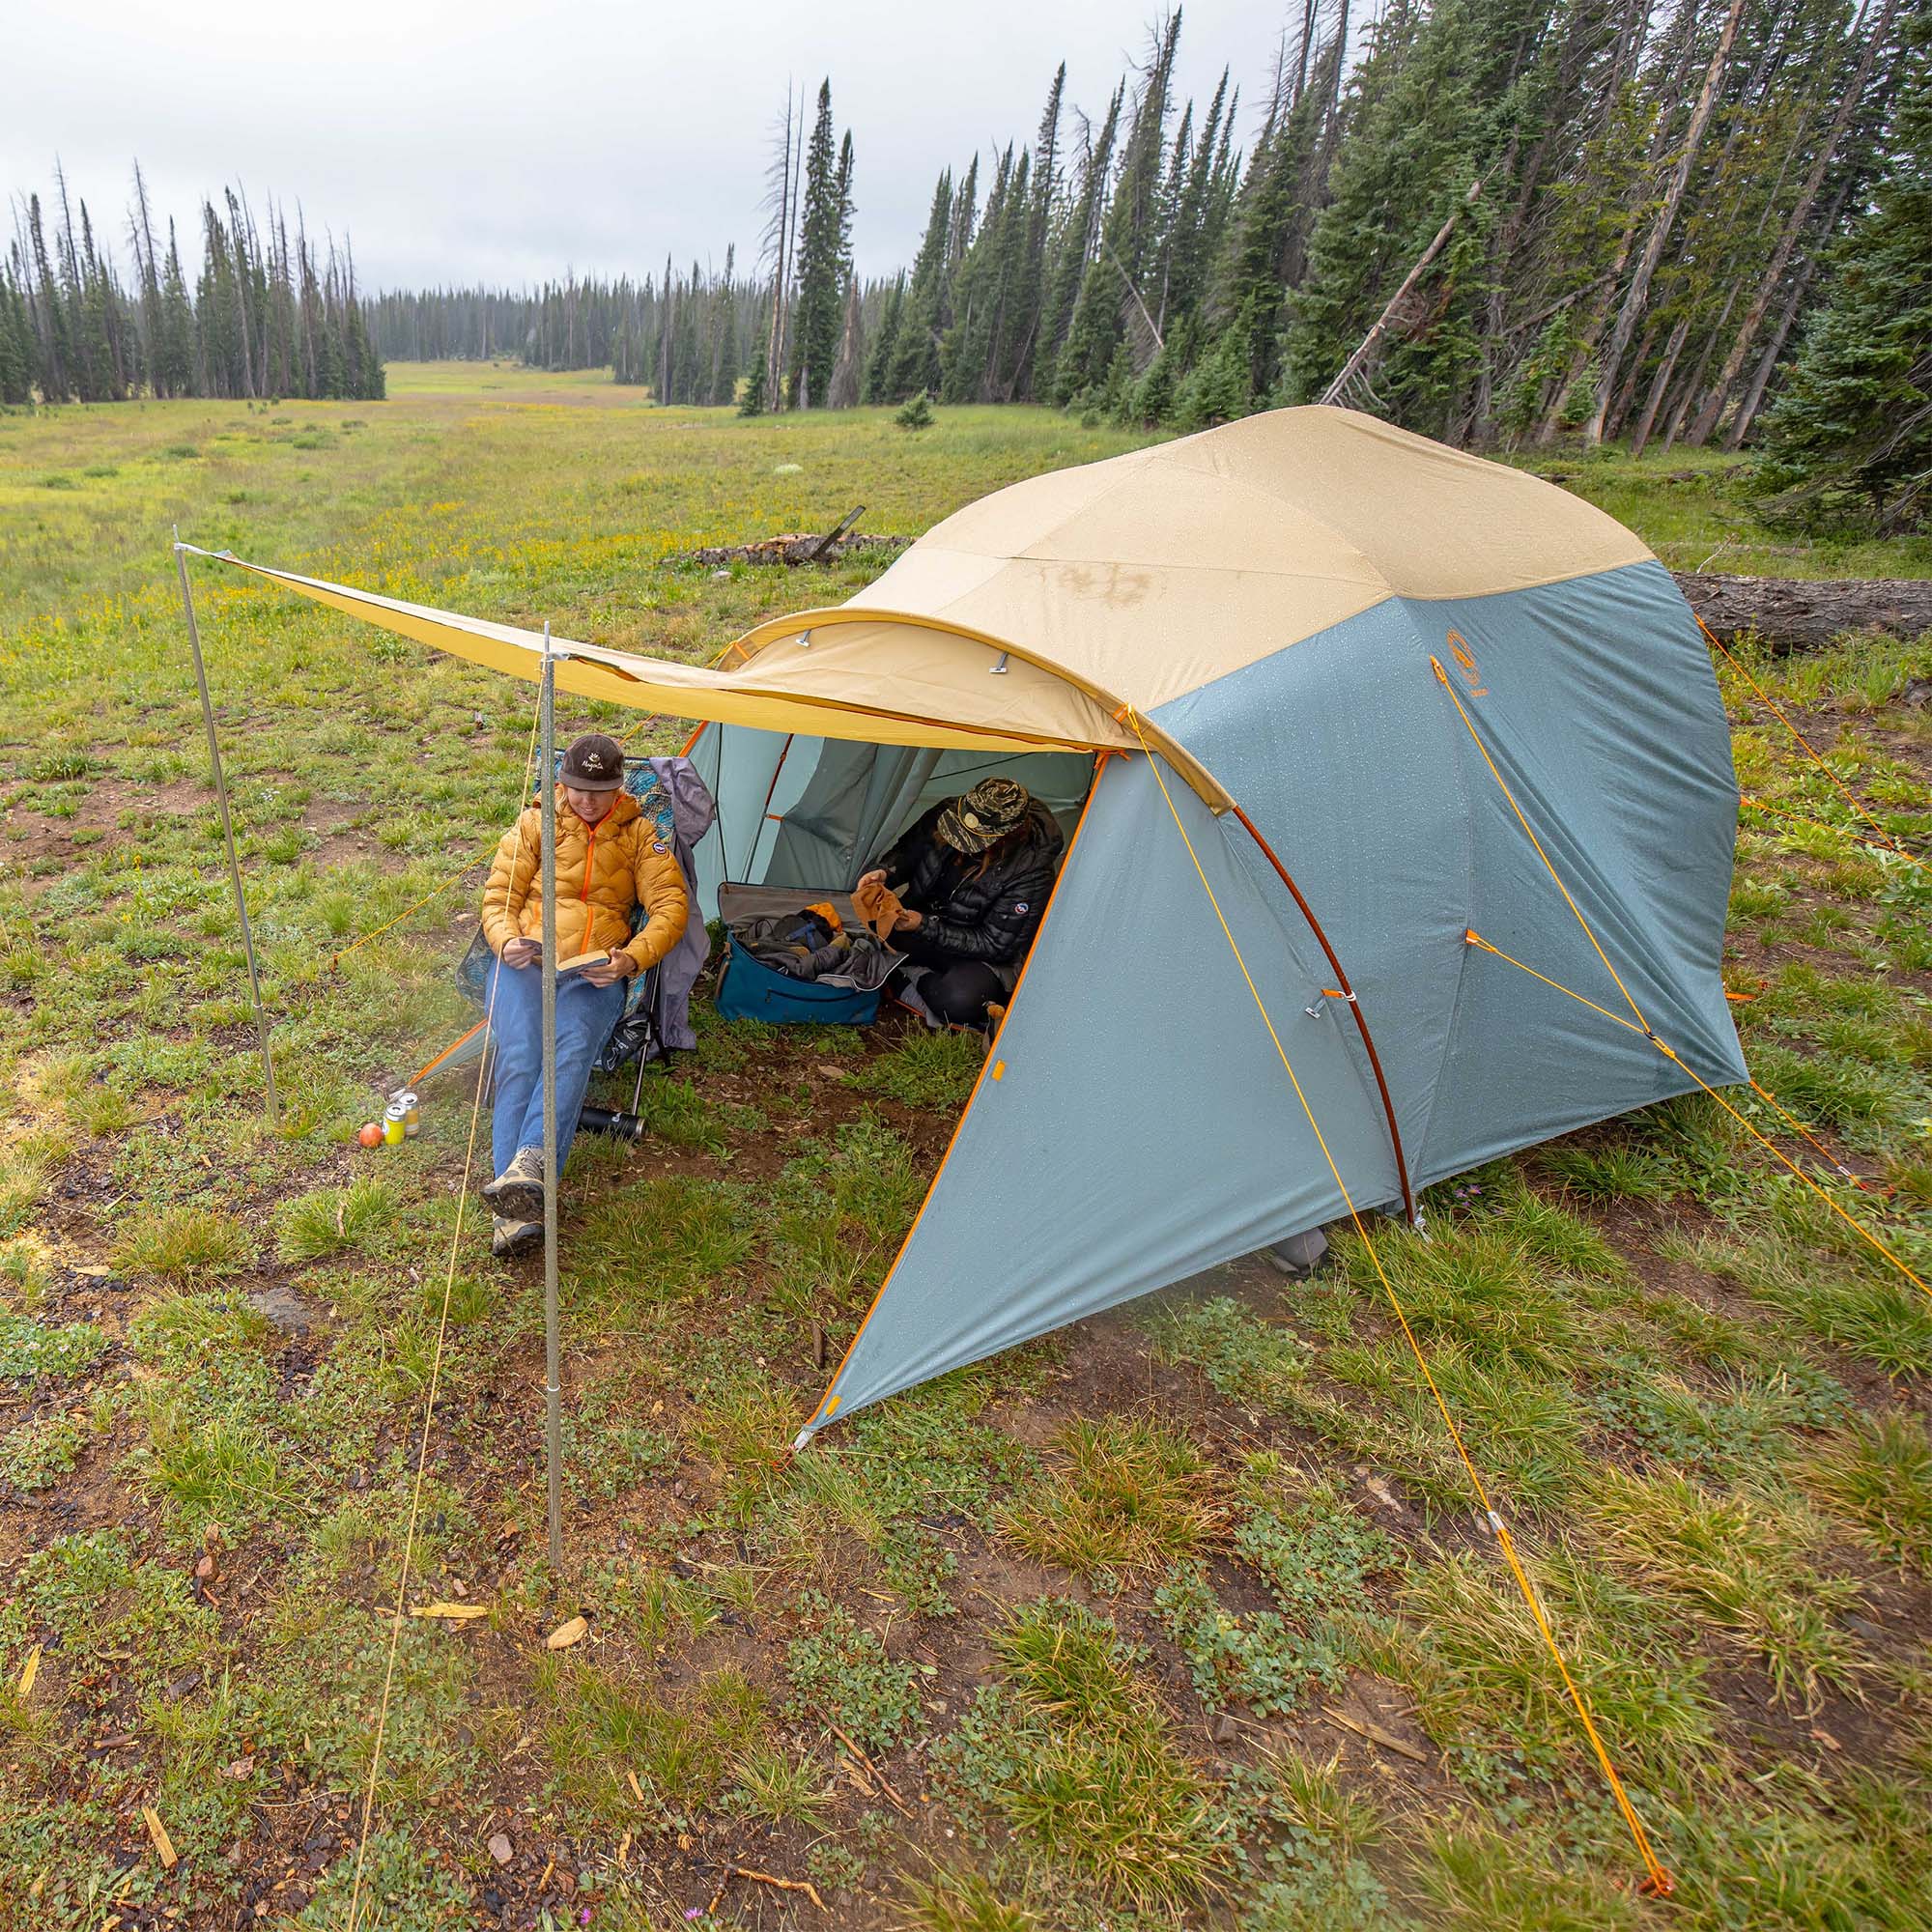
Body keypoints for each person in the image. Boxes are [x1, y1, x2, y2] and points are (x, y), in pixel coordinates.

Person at [478, 732, 688, 1256]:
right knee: (523, 1053)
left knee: (569, 1051)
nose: (586, 800)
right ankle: (521, 1194)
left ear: (618, 788)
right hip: (526, 962)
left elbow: (669, 909)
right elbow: (497, 899)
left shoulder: (642, 835)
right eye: (575, 788)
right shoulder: (534, 824)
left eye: (598, 791)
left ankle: (527, 1170)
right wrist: (506, 942)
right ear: (561, 782)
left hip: (593, 972)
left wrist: (629, 959)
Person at [856, 776, 1065, 1029]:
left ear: (1007, 835)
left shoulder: (1031, 870)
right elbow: (907, 852)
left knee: (960, 1002)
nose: (963, 845)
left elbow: (996, 944)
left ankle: (904, 974)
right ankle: (901, 967)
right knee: (876, 918)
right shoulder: (947, 812)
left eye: (974, 839)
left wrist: (925, 927)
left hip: (975, 954)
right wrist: (885, 872)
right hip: (921, 923)